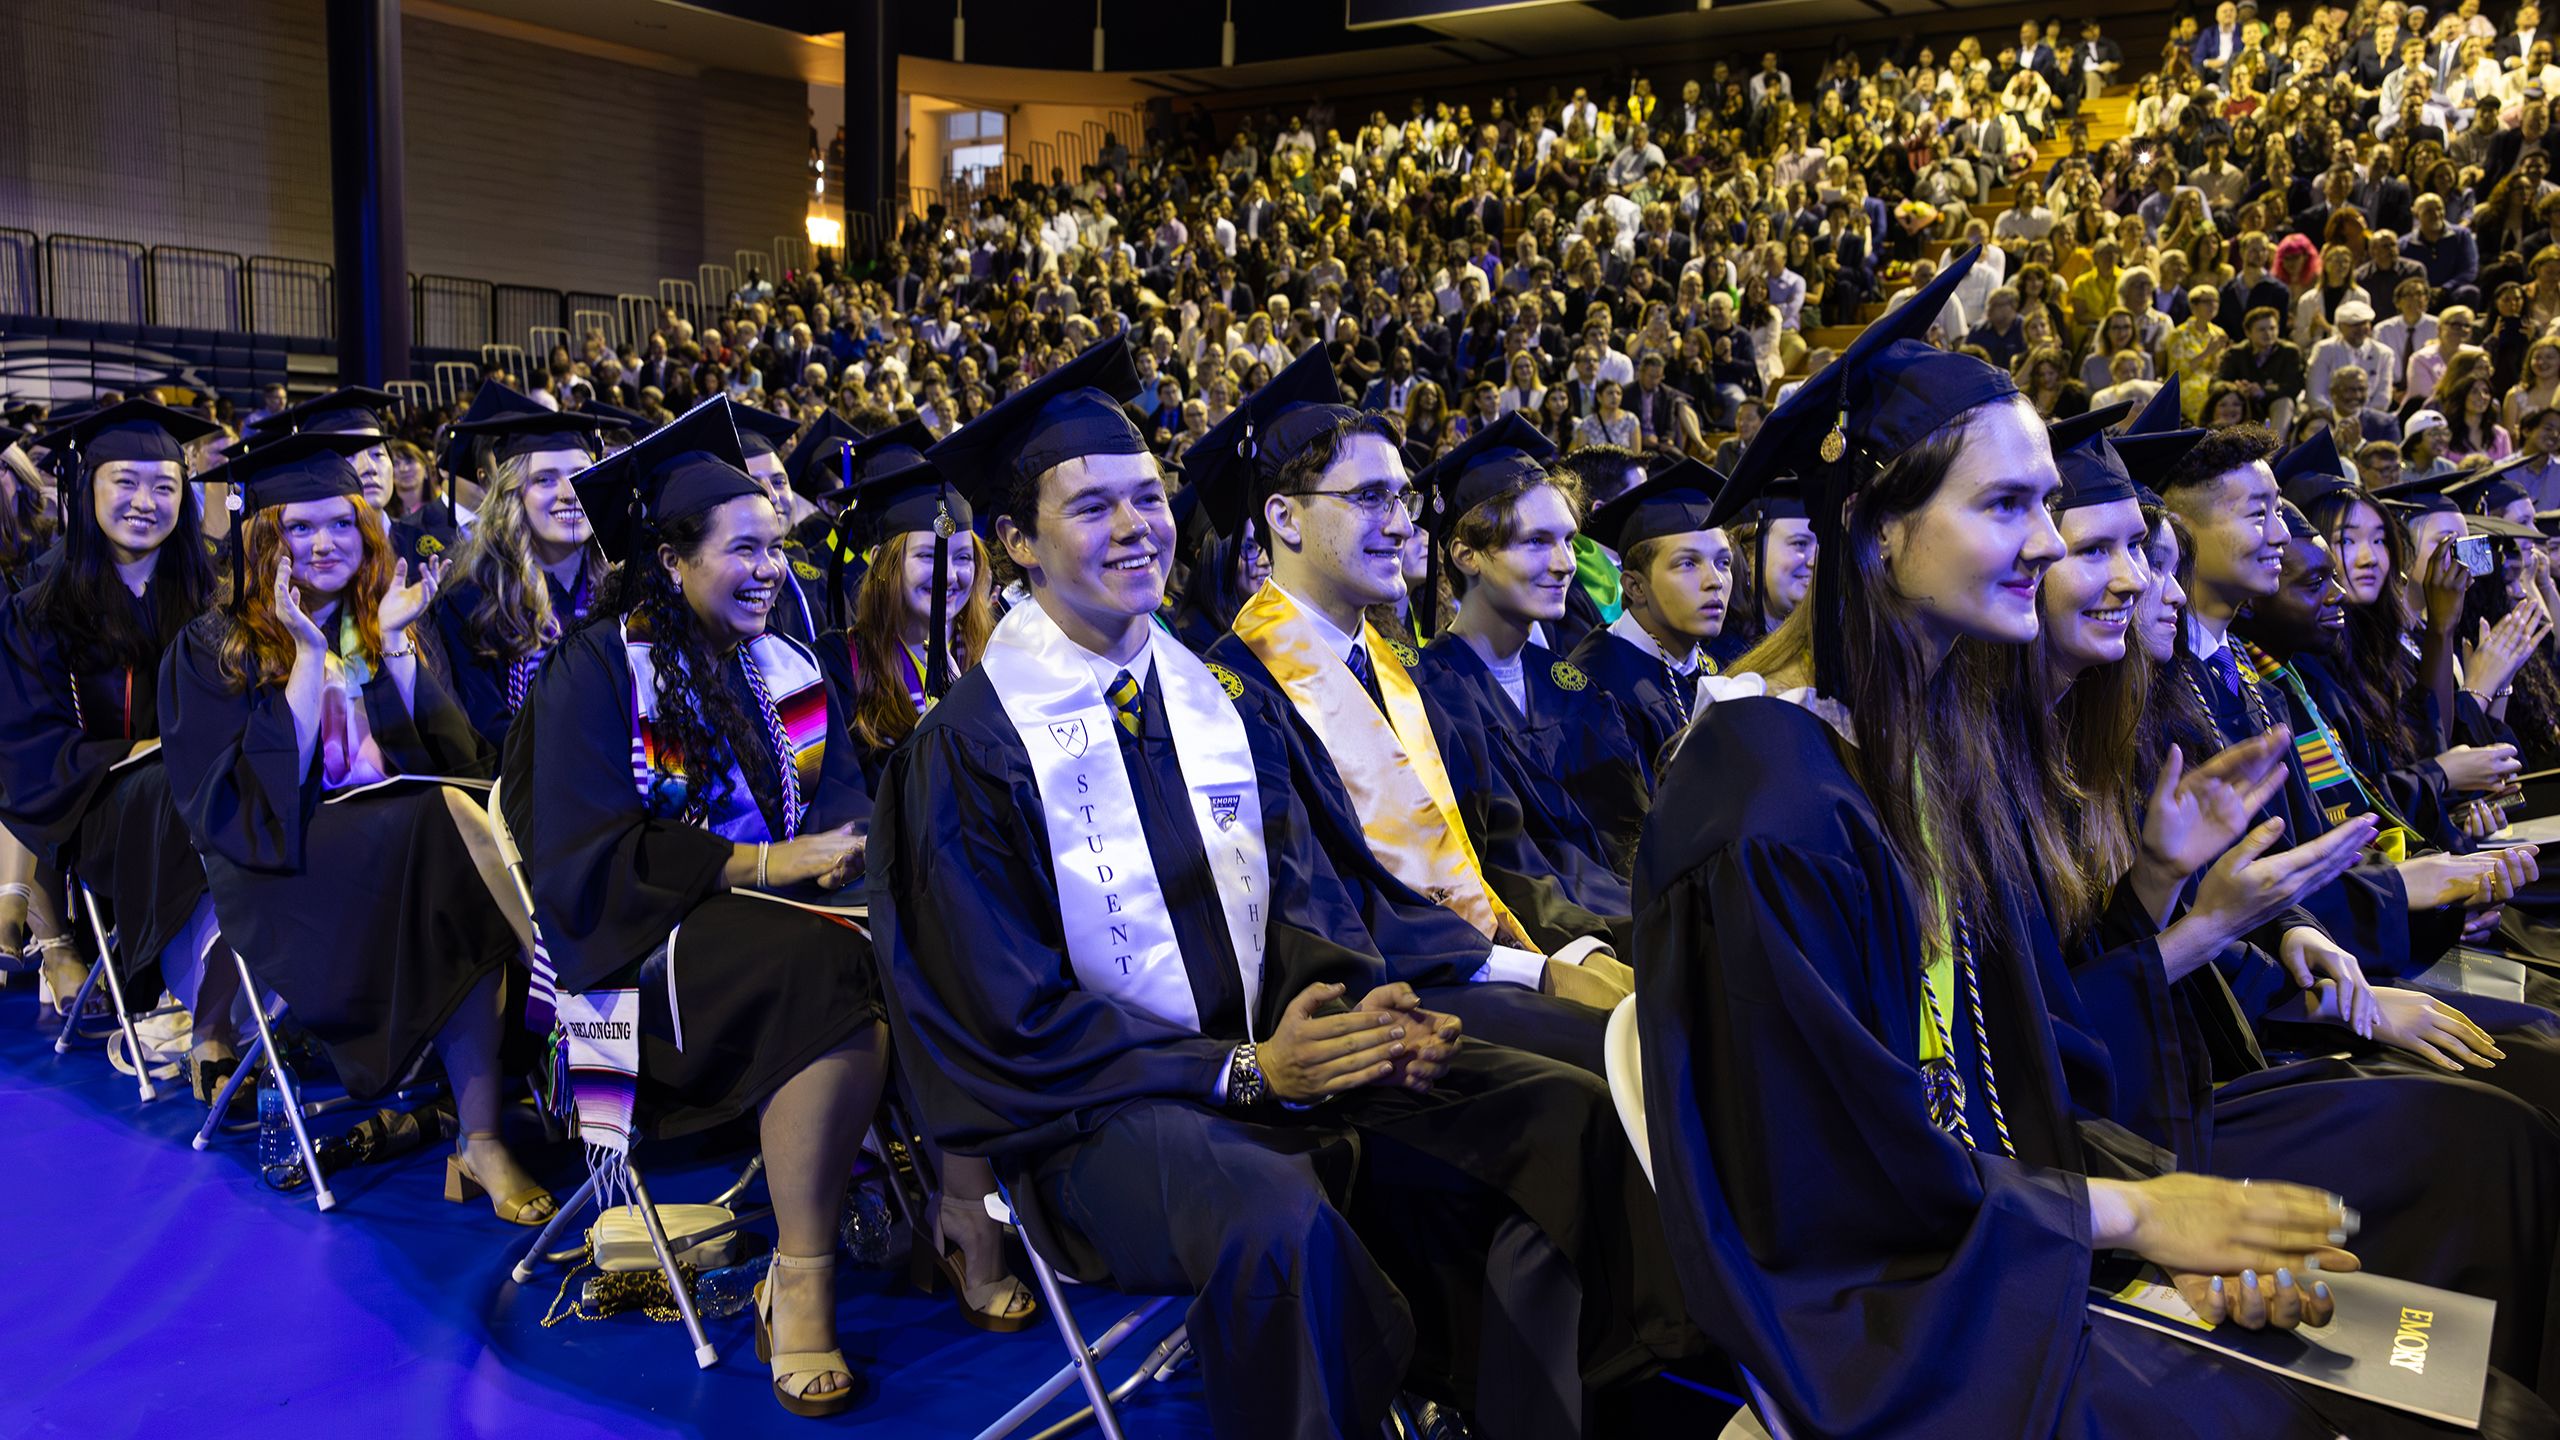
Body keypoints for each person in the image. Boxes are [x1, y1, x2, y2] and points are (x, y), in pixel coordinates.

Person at [1638, 247, 2560, 1438]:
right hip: (1906, 1328)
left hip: (2005, 1236)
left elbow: (2001, 1082)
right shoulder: (1766, 803)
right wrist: (2130, 1222)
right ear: (1873, 530)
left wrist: (2166, 1209)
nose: (2046, 546)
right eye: (2006, 507)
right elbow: (1827, 1188)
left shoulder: (1905, 748)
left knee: (2466, 1339)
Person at [873, 337, 1696, 1438]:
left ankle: (1549, 1417)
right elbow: (1000, 1018)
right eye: (1092, 509)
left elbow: (1302, 900)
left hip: (1279, 1065)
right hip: (1097, 1119)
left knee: (1555, 1113)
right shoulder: (968, 747)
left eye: (1146, 499)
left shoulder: (1208, 703)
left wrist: (1367, 1007)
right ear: (1014, 542)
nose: (1134, 528)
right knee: (1280, 1221)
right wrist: (1240, 1071)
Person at [501, 399, 1028, 1418]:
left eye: (777, 550)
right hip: (640, 959)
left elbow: (837, 811)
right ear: (671, 560)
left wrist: (856, 857)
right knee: (823, 972)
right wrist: (759, 862)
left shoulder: (785, 668)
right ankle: (801, 1275)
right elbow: (582, 860)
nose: (770, 569)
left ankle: (965, 1211)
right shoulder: (596, 670)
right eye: (743, 549)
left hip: (777, 930)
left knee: (945, 925)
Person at [158, 431, 551, 1225]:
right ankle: (560, 990)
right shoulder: (212, 647)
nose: (323, 543)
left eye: (340, 522)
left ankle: (480, 1138)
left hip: (409, 850)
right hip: (286, 870)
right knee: (449, 827)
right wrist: (306, 658)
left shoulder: (392, 618)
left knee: (457, 836)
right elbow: (247, 809)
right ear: (263, 540)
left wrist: (400, 649)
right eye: (298, 528)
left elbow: (454, 759)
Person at [0, 402, 233, 1094]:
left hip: (209, 798)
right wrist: (149, 750)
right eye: (124, 482)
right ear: (86, 488)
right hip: (97, 813)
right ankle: (191, 1001)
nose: (145, 502)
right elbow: (31, 750)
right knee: (174, 785)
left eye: (164, 486)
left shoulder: (213, 588)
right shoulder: (39, 607)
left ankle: (236, 996)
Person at [1411, 414, 1651, 927]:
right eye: (1537, 541)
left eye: (1568, 540)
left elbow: (1631, 833)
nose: (1565, 562)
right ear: (1466, 554)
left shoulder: (1571, 686)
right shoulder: (1426, 693)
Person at [423, 408, 608, 752]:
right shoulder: (473, 601)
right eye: (545, 479)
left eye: (581, 473)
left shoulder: (626, 590)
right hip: (526, 788)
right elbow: (487, 733)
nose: (570, 492)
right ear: (513, 495)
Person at [832, 419, 997, 790]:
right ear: (882, 562)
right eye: (928, 556)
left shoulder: (998, 646)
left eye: (964, 558)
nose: (949, 575)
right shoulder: (844, 661)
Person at [1565, 457, 1730, 785]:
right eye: (1687, 563)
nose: (1715, 581)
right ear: (1635, 587)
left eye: (1723, 562)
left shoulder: (1711, 667)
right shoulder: (1597, 685)